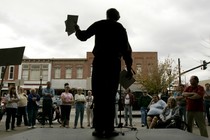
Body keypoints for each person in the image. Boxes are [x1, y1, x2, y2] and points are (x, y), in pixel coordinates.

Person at [75, 8, 133, 138]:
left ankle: (98, 129)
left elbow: (83, 36)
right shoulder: (120, 28)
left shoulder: (99, 24)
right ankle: (109, 129)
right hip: (113, 64)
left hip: (99, 63)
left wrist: (77, 29)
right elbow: (126, 50)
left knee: (99, 96)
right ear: (116, 16)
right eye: (119, 14)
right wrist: (129, 68)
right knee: (110, 97)